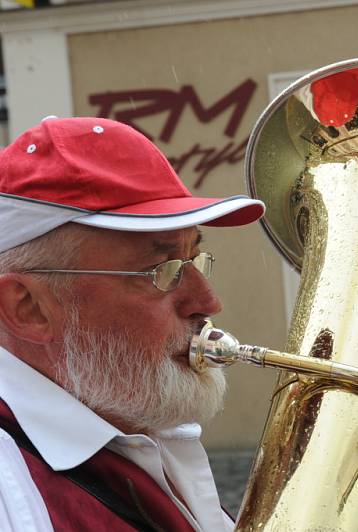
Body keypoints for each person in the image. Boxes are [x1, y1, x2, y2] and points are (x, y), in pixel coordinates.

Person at [0, 117, 266, 531]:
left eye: (194, 259)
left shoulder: (139, 428)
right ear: (28, 307)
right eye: (160, 270)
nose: (208, 301)